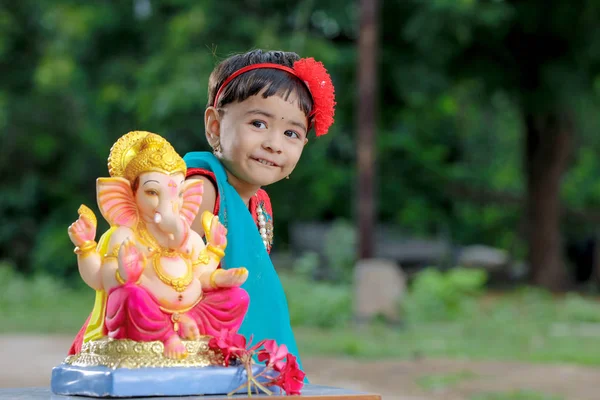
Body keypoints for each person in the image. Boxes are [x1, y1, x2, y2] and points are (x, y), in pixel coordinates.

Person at [183, 49, 336, 370]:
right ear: (214, 125)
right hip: (190, 358)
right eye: (258, 123)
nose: (274, 143)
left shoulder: (260, 204)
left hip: (236, 361)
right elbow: (167, 284)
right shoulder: (201, 191)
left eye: (291, 133)